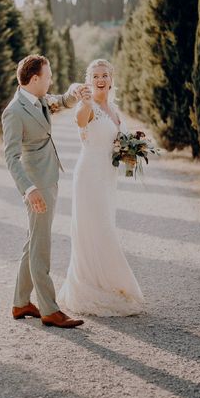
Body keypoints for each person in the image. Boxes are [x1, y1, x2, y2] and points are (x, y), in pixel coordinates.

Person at [1, 54, 89, 328]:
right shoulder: (14, 112)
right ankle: (50, 309)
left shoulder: (38, 99)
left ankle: (20, 302)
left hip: (48, 178)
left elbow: (61, 101)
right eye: (48, 76)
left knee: (33, 241)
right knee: (41, 245)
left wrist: (75, 92)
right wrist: (29, 189)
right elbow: (11, 157)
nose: (51, 80)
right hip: (36, 185)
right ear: (35, 78)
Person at [57, 59, 145, 316]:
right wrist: (84, 102)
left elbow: (119, 140)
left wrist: (132, 150)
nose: (100, 79)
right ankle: (91, 288)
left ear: (111, 79)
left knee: (104, 226)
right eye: (95, 75)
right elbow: (81, 121)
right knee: (98, 230)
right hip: (89, 176)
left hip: (108, 177)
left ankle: (106, 284)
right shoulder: (89, 107)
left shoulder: (115, 109)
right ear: (89, 80)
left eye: (105, 74)